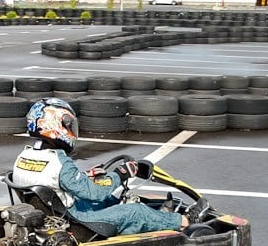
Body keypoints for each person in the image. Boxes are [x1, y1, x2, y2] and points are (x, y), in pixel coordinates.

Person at [12, 98, 208, 235]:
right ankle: (185, 222)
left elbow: (56, 181)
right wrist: (120, 174)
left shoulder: (24, 155)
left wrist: (87, 176)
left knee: (110, 198)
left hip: (53, 213)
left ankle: (154, 221)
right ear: (55, 126)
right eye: (68, 125)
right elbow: (94, 193)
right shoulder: (59, 161)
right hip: (78, 223)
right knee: (134, 211)